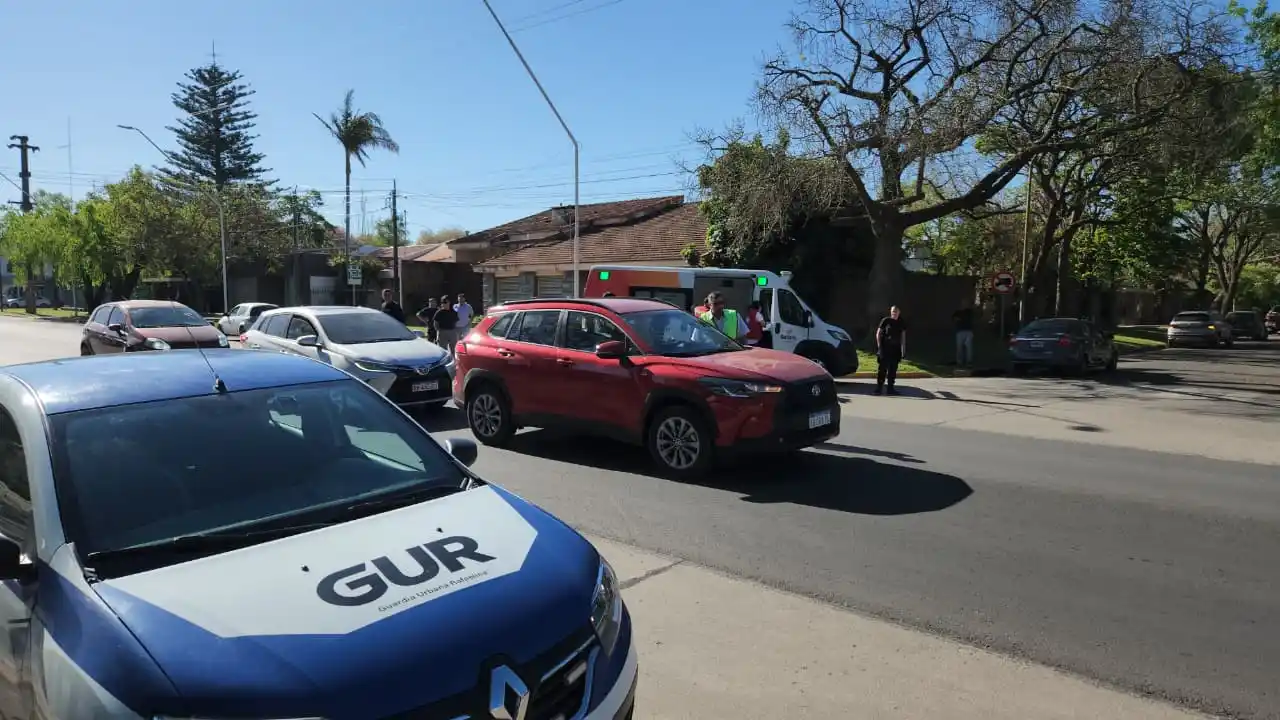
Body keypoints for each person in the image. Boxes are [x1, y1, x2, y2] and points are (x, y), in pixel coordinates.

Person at [875, 305, 907, 396]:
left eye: (896, 311)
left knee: (893, 370)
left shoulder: (901, 322)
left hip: (895, 350)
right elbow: (878, 333)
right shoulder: (886, 321)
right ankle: (879, 388)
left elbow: (903, 337)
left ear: (899, 312)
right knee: (882, 369)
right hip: (885, 348)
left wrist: (903, 349)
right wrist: (879, 347)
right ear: (890, 312)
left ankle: (890, 389)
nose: (894, 313)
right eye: (893, 311)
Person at [952, 300, 976, 367]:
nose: (965, 304)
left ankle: (969, 362)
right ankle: (959, 362)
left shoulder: (969, 312)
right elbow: (954, 319)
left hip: (968, 331)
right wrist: (959, 319)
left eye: (966, 303)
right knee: (959, 347)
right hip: (960, 331)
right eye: (964, 303)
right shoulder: (957, 312)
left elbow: (972, 317)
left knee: (969, 347)